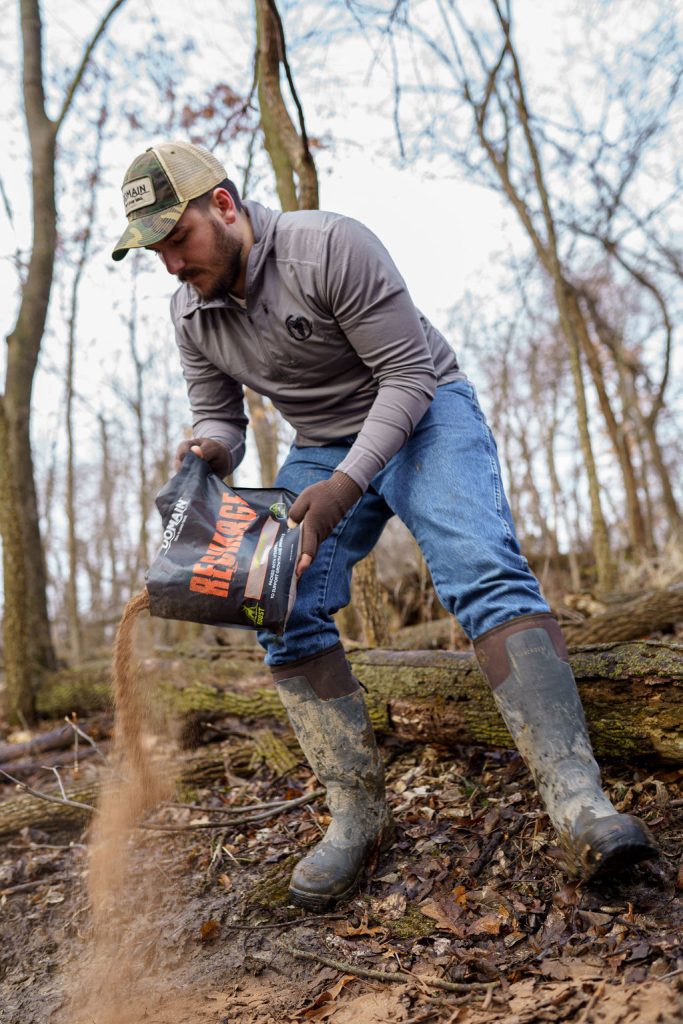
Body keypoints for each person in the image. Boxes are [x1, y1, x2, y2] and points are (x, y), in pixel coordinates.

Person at [112, 141, 657, 910]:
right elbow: (220, 416)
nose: (170, 263)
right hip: (321, 445)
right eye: (155, 250)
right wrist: (206, 452)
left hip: (425, 410)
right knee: (280, 600)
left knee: (480, 570)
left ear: (224, 205)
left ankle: (578, 803)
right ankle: (356, 814)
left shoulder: (330, 245)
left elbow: (407, 375)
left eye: (178, 239)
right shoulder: (190, 311)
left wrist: (343, 487)